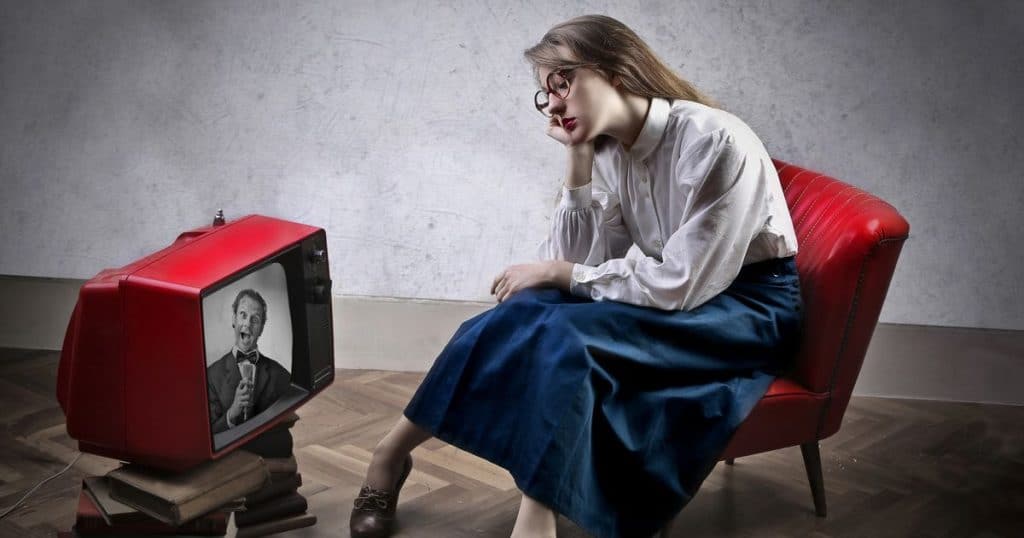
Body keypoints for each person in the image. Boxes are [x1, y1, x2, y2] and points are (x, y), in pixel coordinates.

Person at [349, 14, 803, 538]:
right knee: (521, 310)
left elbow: (679, 283)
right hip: (681, 295)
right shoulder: (614, 150)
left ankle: (536, 521)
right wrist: (578, 157)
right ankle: (388, 457)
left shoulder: (714, 141)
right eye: (546, 94)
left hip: (741, 311)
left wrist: (559, 272)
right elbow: (576, 262)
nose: (555, 103)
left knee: (563, 336)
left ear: (615, 67)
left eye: (562, 83)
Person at [208, 288, 291, 434]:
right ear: (234, 319)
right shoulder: (211, 375)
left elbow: (285, 433)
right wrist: (232, 413)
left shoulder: (281, 375)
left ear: (261, 329)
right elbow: (209, 434)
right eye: (243, 315)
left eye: (255, 319)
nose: (247, 324)